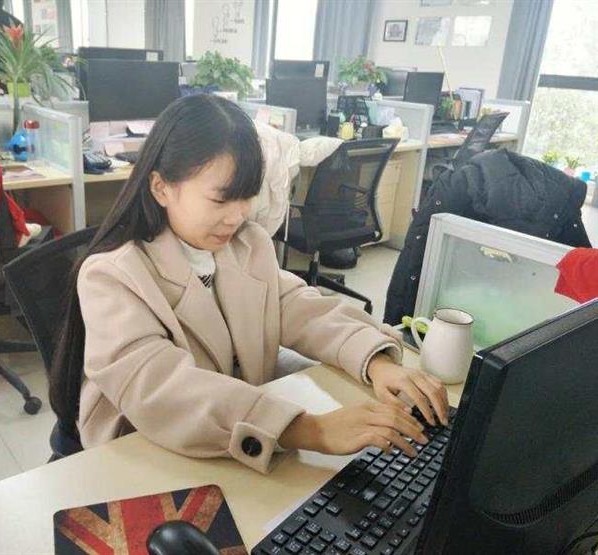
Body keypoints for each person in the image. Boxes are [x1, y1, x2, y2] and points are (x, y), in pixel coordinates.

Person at [52, 94, 449, 474]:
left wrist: (375, 362)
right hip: (146, 454)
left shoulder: (246, 243)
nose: (237, 215)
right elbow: (161, 390)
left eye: (246, 197)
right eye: (220, 199)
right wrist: (309, 430)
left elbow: (297, 307)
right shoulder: (112, 274)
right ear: (161, 188)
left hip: (229, 440)